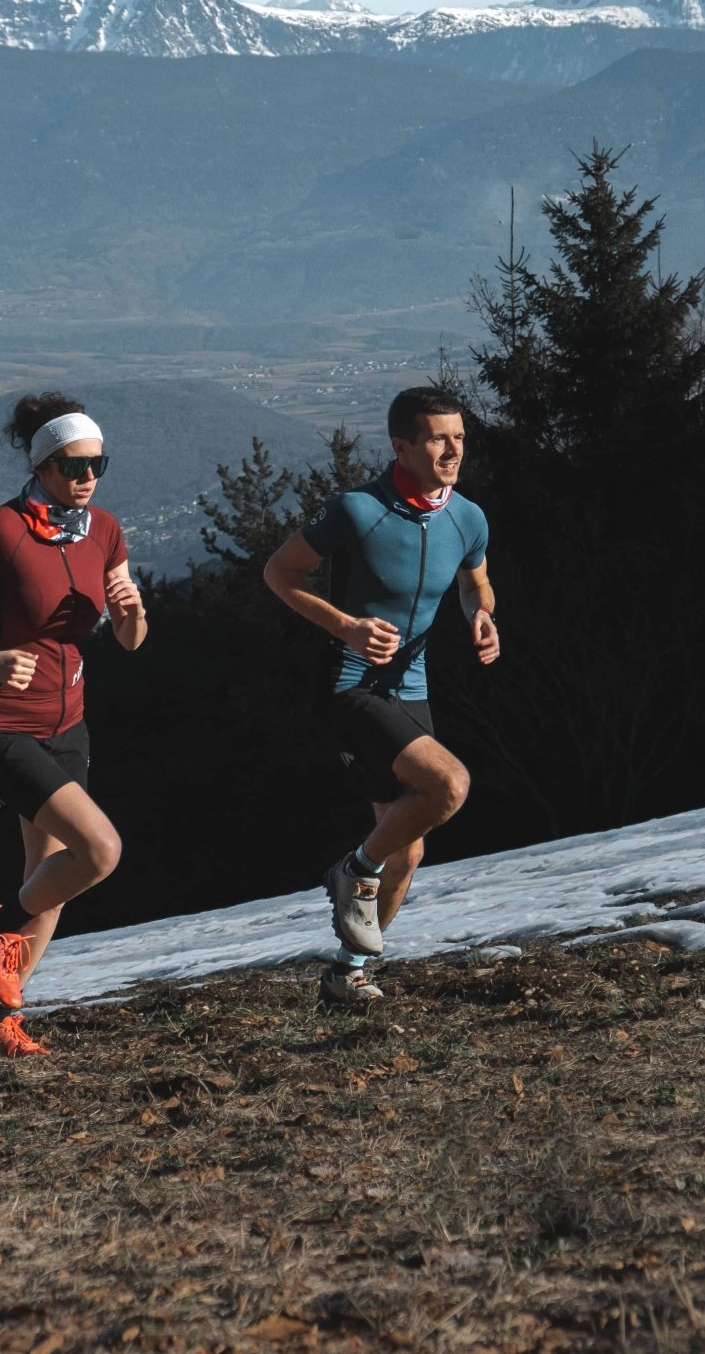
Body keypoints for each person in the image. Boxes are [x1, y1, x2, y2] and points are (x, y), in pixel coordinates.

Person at [0, 392, 147, 1057]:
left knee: (52, 877)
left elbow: (129, 639)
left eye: (98, 464)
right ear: (42, 467)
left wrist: (129, 612)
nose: (88, 477)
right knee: (98, 851)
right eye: (74, 467)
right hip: (2, 721)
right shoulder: (2, 530)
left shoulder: (104, 531)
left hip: (69, 721)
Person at [263, 387, 498, 1005]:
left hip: (411, 688)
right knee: (448, 785)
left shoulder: (467, 517)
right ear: (402, 446)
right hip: (350, 684)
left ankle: (347, 974)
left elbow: (476, 584)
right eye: (440, 439)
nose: (455, 450)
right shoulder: (358, 510)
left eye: (460, 438)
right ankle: (352, 871)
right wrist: (347, 626)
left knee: (408, 849)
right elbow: (278, 573)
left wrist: (480, 615)